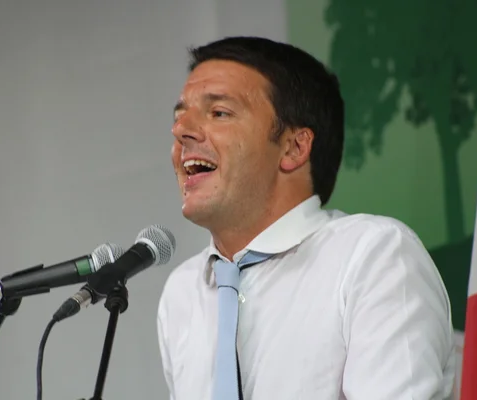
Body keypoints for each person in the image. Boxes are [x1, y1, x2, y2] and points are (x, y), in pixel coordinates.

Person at [156, 36, 456, 400]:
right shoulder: (182, 292)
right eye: (179, 117)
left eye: (219, 112)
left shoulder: (374, 257)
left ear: (294, 147)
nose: (180, 131)